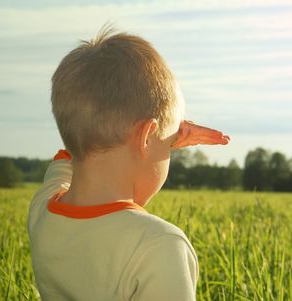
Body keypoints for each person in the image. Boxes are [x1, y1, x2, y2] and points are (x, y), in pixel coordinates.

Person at [27, 23, 230, 301]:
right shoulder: (159, 244)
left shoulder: (43, 211)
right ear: (146, 137)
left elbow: (69, 156)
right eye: (169, 144)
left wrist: (165, 132)